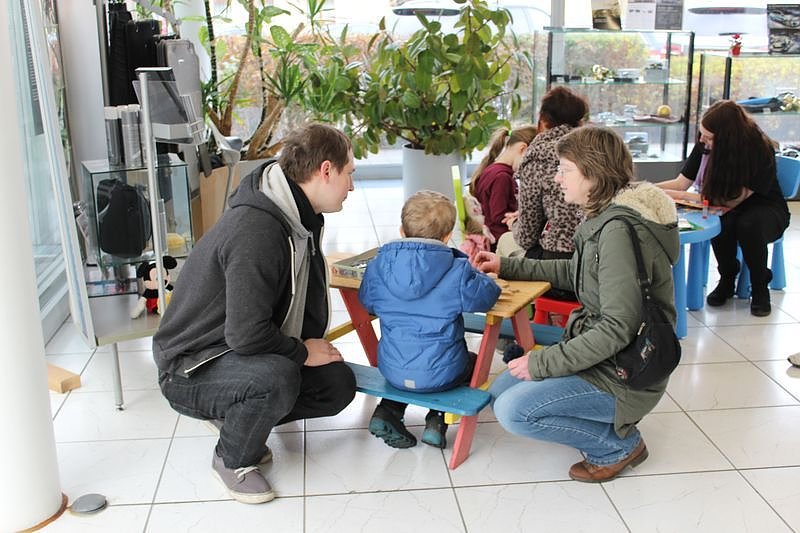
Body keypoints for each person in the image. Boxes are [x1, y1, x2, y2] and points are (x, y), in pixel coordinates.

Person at [152, 123, 357, 504]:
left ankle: (241, 420)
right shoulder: (259, 230)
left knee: (337, 383)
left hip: (232, 351)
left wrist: (310, 351)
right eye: (350, 174)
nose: (352, 187)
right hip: (190, 366)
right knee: (276, 377)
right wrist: (301, 352)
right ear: (325, 171)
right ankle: (232, 459)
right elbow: (246, 335)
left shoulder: (298, 218)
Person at [473, 126, 680, 482]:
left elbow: (618, 328)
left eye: (565, 169)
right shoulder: (604, 218)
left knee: (513, 411)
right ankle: (598, 424)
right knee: (501, 390)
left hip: (624, 374)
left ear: (593, 174)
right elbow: (580, 271)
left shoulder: (616, 232)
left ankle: (618, 446)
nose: (557, 177)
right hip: (606, 357)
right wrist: (508, 265)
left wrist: (543, 362)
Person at [359, 190, 501, 449]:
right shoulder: (456, 270)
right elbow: (487, 297)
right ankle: (437, 420)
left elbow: (367, 301)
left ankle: (387, 411)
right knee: (469, 362)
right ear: (448, 237)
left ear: (402, 230)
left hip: (390, 368)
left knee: (413, 365)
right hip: (444, 372)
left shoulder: (379, 265)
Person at [657, 99, 790, 317]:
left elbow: (730, 200)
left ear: (728, 138)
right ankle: (728, 277)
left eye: (708, 137)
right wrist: (645, 187)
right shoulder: (705, 145)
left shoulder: (758, 148)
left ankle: (759, 287)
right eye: (702, 134)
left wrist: (670, 195)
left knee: (747, 224)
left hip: (765, 207)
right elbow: (682, 182)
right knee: (721, 222)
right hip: (727, 205)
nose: (702, 140)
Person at [502, 86, 587, 261]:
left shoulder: (537, 158)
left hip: (559, 258)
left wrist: (515, 223)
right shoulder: (597, 150)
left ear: (542, 121)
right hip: (600, 251)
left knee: (504, 243)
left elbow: (527, 238)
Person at [468, 125, 537, 245]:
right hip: (500, 239)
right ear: (523, 149)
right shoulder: (502, 177)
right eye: (532, 161)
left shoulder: (494, 170)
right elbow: (498, 215)